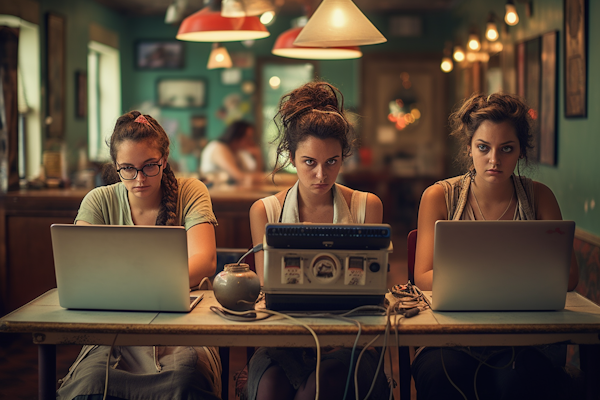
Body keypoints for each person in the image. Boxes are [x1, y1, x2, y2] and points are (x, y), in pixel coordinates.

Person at [411, 92, 580, 400]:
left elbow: (568, 277)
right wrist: (508, 280)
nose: (494, 159)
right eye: (483, 147)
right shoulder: (439, 197)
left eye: (506, 149)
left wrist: (477, 281)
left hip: (525, 339)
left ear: (520, 152)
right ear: (468, 148)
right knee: (441, 376)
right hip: (451, 338)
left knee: (516, 382)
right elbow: (423, 276)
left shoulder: (539, 197)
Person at [56, 111, 222, 400]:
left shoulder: (190, 191)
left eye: (149, 167)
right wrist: (155, 286)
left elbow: (205, 260)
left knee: (186, 380)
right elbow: (78, 267)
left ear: (165, 160)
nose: (140, 178)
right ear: (116, 167)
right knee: (91, 384)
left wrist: (132, 286)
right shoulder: (99, 200)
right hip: (112, 327)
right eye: (128, 169)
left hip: (183, 326)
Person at [242, 81, 388, 400]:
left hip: (351, 339)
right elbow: (271, 291)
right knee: (270, 389)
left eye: (332, 162)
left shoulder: (367, 206)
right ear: (291, 156)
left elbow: (371, 290)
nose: (321, 174)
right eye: (310, 162)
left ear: (343, 156)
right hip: (284, 339)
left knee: (320, 389)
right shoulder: (265, 211)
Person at [200, 120, 264, 187]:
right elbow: (239, 177)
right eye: (248, 138)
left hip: (227, 192)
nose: (251, 141)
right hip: (213, 193)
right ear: (236, 137)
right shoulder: (218, 148)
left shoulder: (237, 152)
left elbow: (253, 175)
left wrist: (258, 156)